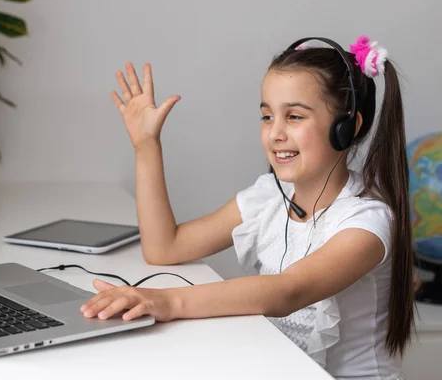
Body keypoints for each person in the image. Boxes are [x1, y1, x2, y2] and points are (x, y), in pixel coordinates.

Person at [79, 36, 415, 379]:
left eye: (295, 116)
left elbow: (288, 291)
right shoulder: (269, 196)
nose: (275, 133)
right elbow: (165, 247)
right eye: (267, 116)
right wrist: (146, 144)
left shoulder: (367, 221)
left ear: (347, 128)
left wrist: (167, 302)